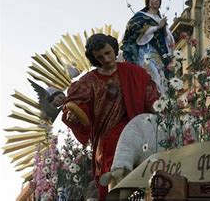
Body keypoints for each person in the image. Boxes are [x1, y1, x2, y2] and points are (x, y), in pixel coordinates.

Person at [62, 33, 159, 200]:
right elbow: (77, 104)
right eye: (100, 57)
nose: (106, 59)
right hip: (106, 135)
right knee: (113, 157)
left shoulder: (134, 73)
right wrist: (74, 114)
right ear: (94, 59)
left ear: (114, 49)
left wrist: (160, 109)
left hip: (136, 126)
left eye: (108, 53)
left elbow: (150, 95)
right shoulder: (89, 80)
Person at [121, 0, 175, 95]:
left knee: (162, 78)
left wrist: (164, 29)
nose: (155, 1)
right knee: (153, 75)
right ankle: (152, 100)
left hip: (160, 54)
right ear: (148, 1)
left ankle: (162, 102)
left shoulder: (160, 19)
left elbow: (167, 40)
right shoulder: (141, 16)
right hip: (146, 52)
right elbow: (133, 30)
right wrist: (156, 27)